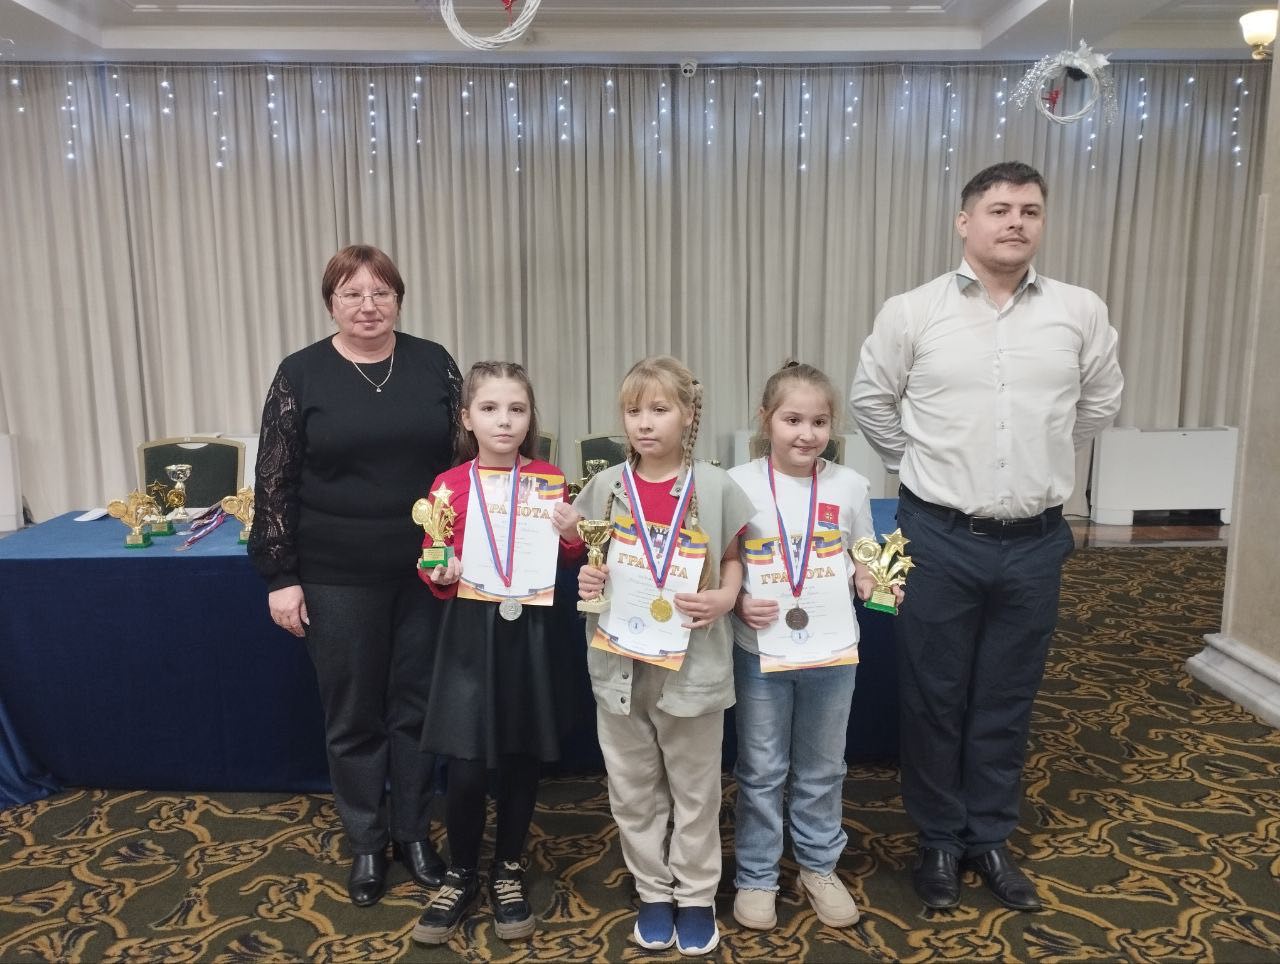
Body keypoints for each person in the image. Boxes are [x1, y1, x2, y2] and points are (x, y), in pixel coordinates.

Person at [849, 161, 1123, 912]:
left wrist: (1045, 455)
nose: (1015, 222)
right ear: (964, 222)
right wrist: (921, 466)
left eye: (1030, 210)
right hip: (936, 535)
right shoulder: (913, 311)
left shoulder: (1078, 310)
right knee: (933, 696)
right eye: (999, 209)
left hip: (1036, 542)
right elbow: (872, 400)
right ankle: (938, 839)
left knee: (1007, 695)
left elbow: (1099, 404)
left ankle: (991, 836)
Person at [248, 244, 460, 906]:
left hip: (428, 572)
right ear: (330, 303)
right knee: (353, 715)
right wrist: (280, 575)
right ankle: (368, 841)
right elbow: (273, 480)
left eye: (381, 293)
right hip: (336, 573)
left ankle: (414, 833)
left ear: (399, 299)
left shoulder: (434, 363)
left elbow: (467, 458)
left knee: (416, 709)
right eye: (352, 294)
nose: (368, 306)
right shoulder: (300, 373)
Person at [574, 356, 756, 957]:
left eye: (659, 409)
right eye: (634, 411)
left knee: (695, 789)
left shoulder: (716, 487)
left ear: (689, 414)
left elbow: (733, 559)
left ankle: (696, 896)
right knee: (632, 787)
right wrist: (590, 581)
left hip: (693, 663)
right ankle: (653, 890)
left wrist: (726, 597)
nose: (645, 423)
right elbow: (594, 565)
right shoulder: (604, 488)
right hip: (620, 664)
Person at [409, 361, 585, 945]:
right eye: (489, 409)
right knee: (465, 763)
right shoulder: (448, 485)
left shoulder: (550, 479)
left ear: (530, 418)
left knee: (519, 754)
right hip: (469, 631)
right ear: (467, 418)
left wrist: (571, 533)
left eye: (516, 409)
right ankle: (461, 872)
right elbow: (431, 558)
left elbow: (567, 559)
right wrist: (442, 569)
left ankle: (508, 866)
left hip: (529, 632)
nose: (504, 421)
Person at [728, 361, 898, 931]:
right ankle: (757, 874)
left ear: (833, 425)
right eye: (792, 420)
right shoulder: (738, 484)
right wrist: (737, 601)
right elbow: (721, 564)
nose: (806, 434)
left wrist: (874, 580)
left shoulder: (850, 485)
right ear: (766, 420)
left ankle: (819, 866)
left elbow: (865, 555)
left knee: (823, 768)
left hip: (832, 653)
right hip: (762, 650)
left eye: (819, 422)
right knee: (762, 769)